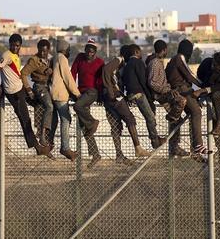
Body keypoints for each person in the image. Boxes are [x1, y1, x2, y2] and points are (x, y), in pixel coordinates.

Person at [0, 34, 51, 157]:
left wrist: (28, 88)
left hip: (21, 88)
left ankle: (41, 133)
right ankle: (37, 147)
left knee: (39, 103)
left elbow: (14, 73)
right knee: (25, 120)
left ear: (20, 46)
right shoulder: (7, 55)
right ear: (9, 44)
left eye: (17, 46)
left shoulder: (15, 56)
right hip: (14, 93)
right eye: (13, 45)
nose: (15, 48)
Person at [102, 45, 151, 164]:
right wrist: (111, 91)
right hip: (114, 96)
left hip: (110, 97)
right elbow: (106, 70)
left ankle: (119, 155)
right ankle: (138, 148)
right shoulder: (118, 60)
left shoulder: (121, 65)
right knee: (130, 118)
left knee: (115, 125)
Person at [165, 39, 207, 161]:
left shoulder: (173, 60)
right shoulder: (179, 58)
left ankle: (190, 146)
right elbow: (190, 75)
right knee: (196, 112)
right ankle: (197, 146)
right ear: (188, 50)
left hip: (176, 92)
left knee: (190, 116)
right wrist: (203, 86)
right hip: (182, 91)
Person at [122, 44, 168, 151]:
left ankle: (155, 138)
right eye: (140, 51)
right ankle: (155, 140)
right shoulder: (138, 62)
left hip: (130, 94)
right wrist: (149, 95)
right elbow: (143, 81)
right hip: (139, 93)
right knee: (150, 117)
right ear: (136, 52)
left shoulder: (127, 64)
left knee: (149, 115)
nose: (141, 54)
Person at [146, 40, 187, 156]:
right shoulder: (155, 63)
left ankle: (174, 146)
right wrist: (166, 90)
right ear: (164, 50)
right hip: (160, 94)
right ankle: (171, 116)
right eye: (166, 50)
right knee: (182, 100)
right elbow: (152, 83)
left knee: (177, 121)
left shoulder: (158, 62)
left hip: (164, 92)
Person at [70, 39, 105, 167]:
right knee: (85, 127)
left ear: (95, 52)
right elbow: (72, 74)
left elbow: (101, 81)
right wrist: (72, 91)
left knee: (77, 106)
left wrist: (100, 95)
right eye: (87, 51)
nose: (89, 54)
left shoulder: (100, 62)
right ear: (84, 51)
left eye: (92, 52)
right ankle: (95, 154)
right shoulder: (80, 58)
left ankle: (93, 122)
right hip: (80, 93)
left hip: (92, 92)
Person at [195, 52, 220, 159]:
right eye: (214, 65)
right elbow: (200, 77)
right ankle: (218, 149)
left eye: (217, 68)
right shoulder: (206, 63)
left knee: (216, 96)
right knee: (212, 119)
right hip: (208, 91)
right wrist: (203, 92)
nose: (214, 68)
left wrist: (205, 90)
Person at [49, 40, 81, 161]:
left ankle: (51, 144)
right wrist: (77, 94)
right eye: (68, 49)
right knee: (66, 119)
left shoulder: (55, 57)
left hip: (54, 93)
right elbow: (68, 78)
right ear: (64, 49)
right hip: (60, 95)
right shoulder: (62, 58)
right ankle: (65, 147)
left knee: (56, 120)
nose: (69, 52)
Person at [21, 39, 54, 146]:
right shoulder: (34, 60)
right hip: (39, 86)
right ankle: (42, 134)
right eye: (40, 51)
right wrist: (28, 89)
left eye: (45, 51)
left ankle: (48, 137)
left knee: (50, 109)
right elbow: (23, 73)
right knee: (49, 106)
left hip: (48, 87)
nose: (42, 53)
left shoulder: (51, 59)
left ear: (48, 50)